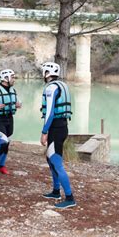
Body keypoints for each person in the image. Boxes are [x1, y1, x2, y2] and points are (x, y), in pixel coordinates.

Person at [40, 62, 76, 209]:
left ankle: (70, 197)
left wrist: (44, 132)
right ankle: (56, 191)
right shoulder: (63, 85)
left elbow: (49, 113)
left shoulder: (51, 88)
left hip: (56, 128)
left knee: (56, 162)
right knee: (50, 159)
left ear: (47, 73)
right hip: (62, 126)